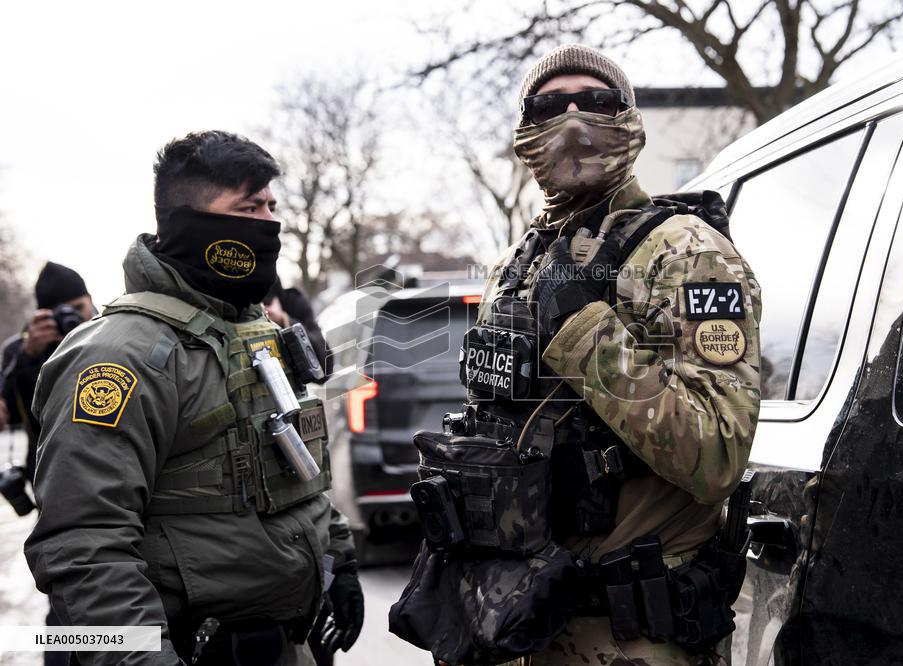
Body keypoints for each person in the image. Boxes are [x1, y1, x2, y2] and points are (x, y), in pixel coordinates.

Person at [400, 45, 761, 665]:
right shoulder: (521, 261)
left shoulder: (684, 251)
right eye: (549, 105)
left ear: (631, 120)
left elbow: (716, 451)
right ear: (525, 129)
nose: (573, 120)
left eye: (598, 102)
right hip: (513, 614)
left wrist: (584, 330)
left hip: (624, 633)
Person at [24, 130, 363, 665]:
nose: (270, 222)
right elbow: (82, 545)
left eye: (272, 204)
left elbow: (295, 471)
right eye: (249, 206)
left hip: (282, 644)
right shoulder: (117, 357)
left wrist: (338, 559)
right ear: (192, 223)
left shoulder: (253, 332)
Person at [1, 262, 96, 483]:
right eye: (61, 314)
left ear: (90, 299)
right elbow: (10, 415)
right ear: (44, 315)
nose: (72, 319)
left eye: (77, 308)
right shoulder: (21, 350)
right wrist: (29, 358)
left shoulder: (113, 334)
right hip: (49, 472)